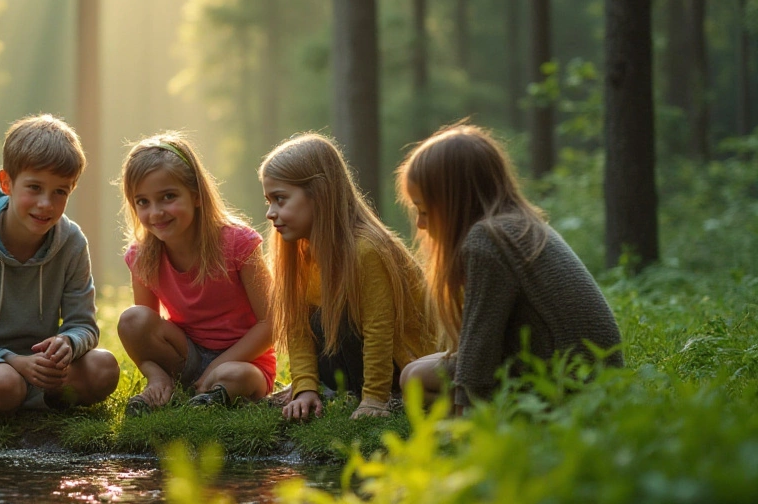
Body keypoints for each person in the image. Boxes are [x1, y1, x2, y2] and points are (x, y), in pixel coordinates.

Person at [396, 124, 622, 413]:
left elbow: (479, 350)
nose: (420, 225)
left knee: (414, 378)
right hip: (588, 372)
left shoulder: (487, 240)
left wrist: (468, 423)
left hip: (570, 384)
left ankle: (486, 426)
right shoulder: (516, 224)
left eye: (424, 211)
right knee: (414, 370)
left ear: (455, 204)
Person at [0, 114, 119, 415]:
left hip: (42, 367)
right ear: (7, 183)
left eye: (60, 192)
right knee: (5, 385)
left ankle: (31, 399)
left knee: (104, 368)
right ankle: (22, 399)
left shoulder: (72, 243)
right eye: (34, 188)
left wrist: (69, 342)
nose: (46, 204)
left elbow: (84, 325)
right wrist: (10, 360)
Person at [260, 133, 438, 422]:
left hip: (401, 364)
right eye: (269, 200)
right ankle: (322, 389)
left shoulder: (366, 249)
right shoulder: (300, 251)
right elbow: (298, 328)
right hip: (348, 357)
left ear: (320, 194)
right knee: (313, 318)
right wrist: (305, 387)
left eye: (280, 199)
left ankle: (381, 396)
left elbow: (380, 331)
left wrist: (374, 400)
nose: (270, 213)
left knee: (341, 319)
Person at [115, 133, 275, 415]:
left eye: (168, 197)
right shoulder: (142, 256)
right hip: (185, 355)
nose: (156, 212)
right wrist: (156, 370)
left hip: (243, 359)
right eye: (143, 202)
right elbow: (144, 330)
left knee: (234, 377)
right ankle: (163, 384)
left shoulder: (238, 243)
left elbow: (271, 323)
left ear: (196, 195)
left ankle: (211, 396)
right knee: (132, 320)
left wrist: (216, 366)